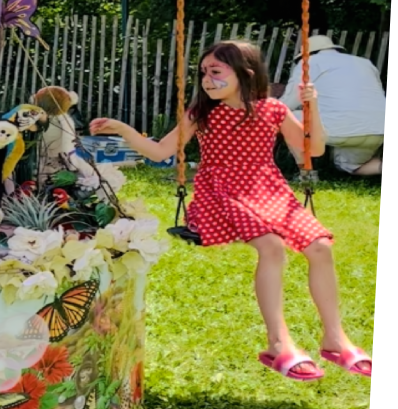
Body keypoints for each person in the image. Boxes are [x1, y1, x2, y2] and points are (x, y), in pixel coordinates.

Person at [90, 41, 372, 381]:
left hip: (269, 189)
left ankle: (335, 338)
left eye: (215, 72)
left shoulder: (274, 110)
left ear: (244, 74)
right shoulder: (202, 113)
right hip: (222, 192)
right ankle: (278, 342)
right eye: (204, 73)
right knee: (271, 246)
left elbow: (314, 148)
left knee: (321, 247)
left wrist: (313, 108)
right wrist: (124, 130)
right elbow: (159, 150)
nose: (207, 80)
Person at [278, 35, 385, 176]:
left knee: (287, 118)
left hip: (339, 128)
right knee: (350, 165)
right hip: (378, 129)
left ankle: (307, 174)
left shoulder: (309, 62)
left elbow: (287, 104)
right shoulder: (365, 63)